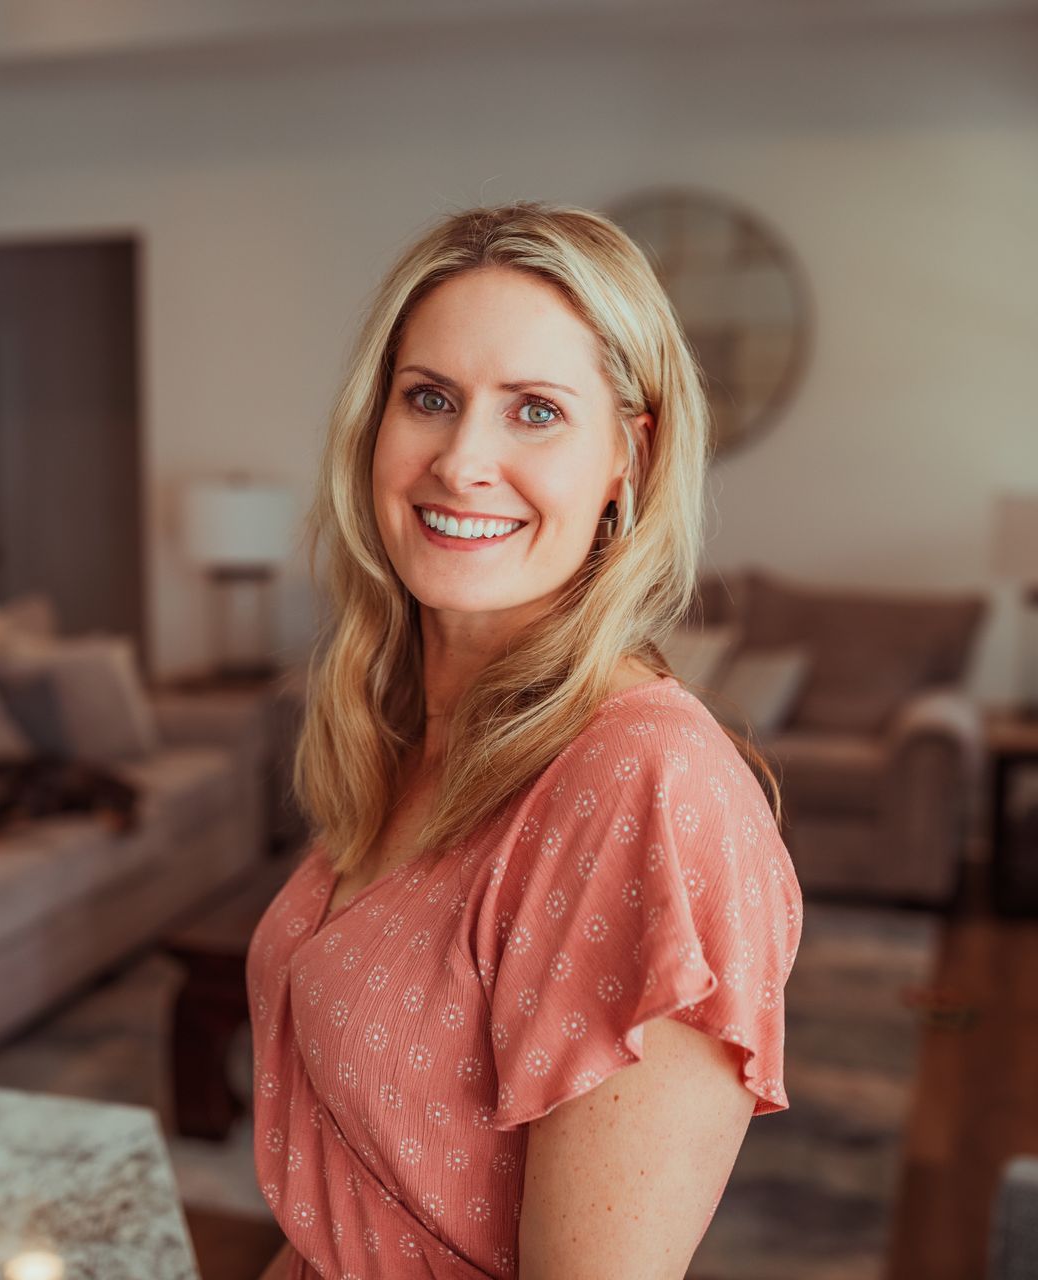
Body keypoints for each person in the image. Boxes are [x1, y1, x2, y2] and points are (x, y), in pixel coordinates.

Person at [246, 202, 803, 1280]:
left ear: (627, 455)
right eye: (431, 398)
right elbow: (353, 1208)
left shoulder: (643, 783)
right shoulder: (411, 728)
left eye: (535, 410)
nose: (462, 460)